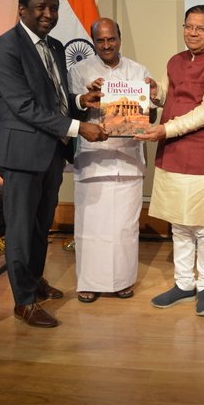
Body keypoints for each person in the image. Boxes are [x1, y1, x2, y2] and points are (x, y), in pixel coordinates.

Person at [0, 0, 108, 328]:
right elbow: (24, 105)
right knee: (20, 228)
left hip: (51, 152)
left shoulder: (54, 46)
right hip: (22, 154)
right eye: (41, 7)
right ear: (22, 10)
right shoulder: (6, 47)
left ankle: (34, 280)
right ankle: (23, 302)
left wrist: (80, 102)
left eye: (53, 8)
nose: (48, 14)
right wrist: (78, 127)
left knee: (42, 225)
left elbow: (53, 99)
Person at [136, 5, 204, 317]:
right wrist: (155, 92)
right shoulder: (175, 61)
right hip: (173, 154)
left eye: (201, 28)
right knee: (179, 225)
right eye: (189, 26)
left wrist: (165, 129)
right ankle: (183, 284)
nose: (193, 33)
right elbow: (170, 97)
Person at [67, 18, 151, 303]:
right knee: (91, 226)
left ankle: (122, 281)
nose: (106, 45)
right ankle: (89, 282)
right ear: (93, 42)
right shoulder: (79, 71)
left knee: (124, 228)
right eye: (100, 40)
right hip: (93, 159)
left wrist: (142, 105)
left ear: (119, 38)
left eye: (111, 39)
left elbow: (149, 113)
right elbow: (69, 111)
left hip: (128, 159)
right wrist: (85, 96)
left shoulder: (138, 71)